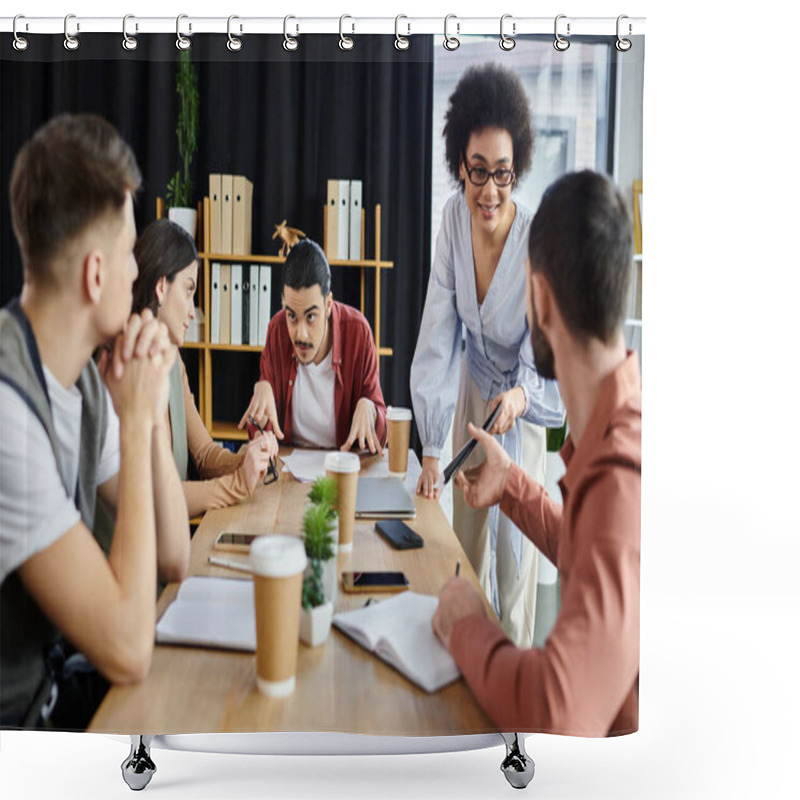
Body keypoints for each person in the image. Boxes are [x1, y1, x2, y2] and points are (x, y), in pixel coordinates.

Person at [432, 170, 641, 736]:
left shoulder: (622, 475)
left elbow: (556, 705)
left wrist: (469, 627)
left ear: (540, 297)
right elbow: (586, 549)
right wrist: (516, 487)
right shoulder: (615, 436)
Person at [0, 114, 190, 729]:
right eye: (129, 253)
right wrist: (136, 422)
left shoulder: (82, 377)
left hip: (66, 693)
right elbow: (130, 649)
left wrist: (151, 406)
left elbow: (173, 556)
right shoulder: (7, 413)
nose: (140, 273)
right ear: (96, 273)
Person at [410, 63, 564, 647]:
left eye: (503, 173)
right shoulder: (452, 221)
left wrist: (522, 394)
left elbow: (545, 342)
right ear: (460, 166)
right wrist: (429, 447)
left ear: (516, 169)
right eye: (478, 172)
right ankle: (472, 680)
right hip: (475, 390)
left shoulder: (534, 236)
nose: (490, 190)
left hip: (521, 399)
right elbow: (438, 336)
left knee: (515, 563)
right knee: (467, 545)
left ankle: (516, 703)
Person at [131, 219, 278, 518]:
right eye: (188, 290)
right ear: (161, 286)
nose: (192, 310)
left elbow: (205, 454)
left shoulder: (172, 361)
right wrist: (238, 485)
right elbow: (159, 495)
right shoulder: (126, 371)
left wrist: (250, 458)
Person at [239, 238, 387, 453]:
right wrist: (261, 395)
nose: (300, 333)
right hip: (289, 473)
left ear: (328, 305)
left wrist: (371, 409)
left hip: (341, 471)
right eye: (292, 315)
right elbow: (261, 437)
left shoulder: (358, 332)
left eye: (310, 316)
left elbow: (381, 438)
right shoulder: (277, 330)